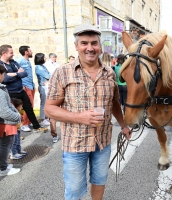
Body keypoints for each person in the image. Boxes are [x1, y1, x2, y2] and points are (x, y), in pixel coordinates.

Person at [45, 23, 131, 200]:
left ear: (100, 47)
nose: (90, 48)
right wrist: (79, 117)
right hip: (75, 144)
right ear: (76, 46)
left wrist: (123, 125)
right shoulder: (63, 72)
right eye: (84, 43)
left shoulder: (109, 73)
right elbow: (49, 108)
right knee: (75, 190)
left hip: (103, 141)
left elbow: (114, 102)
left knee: (99, 180)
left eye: (94, 43)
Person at [0, 45, 45, 132]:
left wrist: (15, 74)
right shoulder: (1, 65)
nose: (13, 54)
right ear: (4, 53)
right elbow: (4, 79)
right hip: (11, 93)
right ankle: (16, 131)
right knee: (14, 112)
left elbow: (24, 73)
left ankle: (36, 125)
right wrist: (17, 73)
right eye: (11, 53)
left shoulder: (13, 62)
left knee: (29, 108)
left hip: (21, 90)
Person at [16, 46, 46, 131]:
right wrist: (21, 85)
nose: (31, 52)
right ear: (26, 52)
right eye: (30, 50)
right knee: (27, 106)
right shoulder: (19, 61)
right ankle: (24, 124)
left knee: (31, 105)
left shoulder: (27, 61)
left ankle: (29, 122)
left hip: (31, 85)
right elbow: (16, 73)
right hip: (26, 86)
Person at [0, 64, 22, 176]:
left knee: (4, 145)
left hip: (5, 122)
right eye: (3, 73)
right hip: (5, 123)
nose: (4, 76)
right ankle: (3, 169)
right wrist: (17, 117)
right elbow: (4, 111)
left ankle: (3, 165)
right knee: (5, 146)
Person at [35, 53, 59, 143]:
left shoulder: (42, 66)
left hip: (47, 86)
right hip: (44, 86)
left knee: (47, 103)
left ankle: (46, 117)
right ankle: (43, 118)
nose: (45, 58)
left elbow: (49, 74)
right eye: (44, 57)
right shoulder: (38, 67)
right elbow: (48, 75)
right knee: (44, 103)